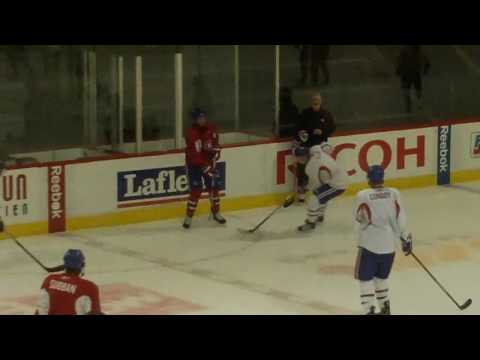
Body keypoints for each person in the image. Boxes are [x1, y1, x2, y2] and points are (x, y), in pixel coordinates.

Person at [353, 165, 413, 315]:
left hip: (369, 245)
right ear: (382, 177)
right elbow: (400, 217)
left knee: (365, 278)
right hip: (389, 246)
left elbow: (359, 218)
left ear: (368, 178)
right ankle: (385, 306)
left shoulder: (362, 195)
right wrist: (405, 238)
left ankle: (369, 310)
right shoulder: (394, 193)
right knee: (381, 277)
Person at [183, 108, 226, 229]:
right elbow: (194, 155)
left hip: (208, 163)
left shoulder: (212, 128)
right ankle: (189, 217)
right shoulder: (191, 133)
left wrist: (217, 151)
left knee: (214, 188)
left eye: (204, 117)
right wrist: (205, 167)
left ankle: (216, 212)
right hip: (194, 165)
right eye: (199, 118)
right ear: (195, 120)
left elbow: (215, 143)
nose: (203, 120)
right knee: (196, 191)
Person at [297, 141, 348, 231]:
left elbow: (317, 185)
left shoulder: (311, 167)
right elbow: (326, 146)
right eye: (298, 157)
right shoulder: (315, 149)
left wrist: (305, 188)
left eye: (302, 156)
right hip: (336, 176)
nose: (300, 159)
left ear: (307, 155)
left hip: (337, 184)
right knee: (322, 195)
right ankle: (320, 215)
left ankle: (311, 222)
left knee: (314, 198)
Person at [35, 249, 103, 315]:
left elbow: (40, 310)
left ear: (64, 265)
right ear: (82, 265)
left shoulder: (49, 280)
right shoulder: (89, 287)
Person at [396, 45, 431, 113]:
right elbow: (426, 60)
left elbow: (399, 60)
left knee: (411, 90)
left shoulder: (412, 51)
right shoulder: (408, 52)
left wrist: (398, 69)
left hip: (410, 73)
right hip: (410, 73)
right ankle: (413, 104)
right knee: (411, 90)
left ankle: (412, 104)